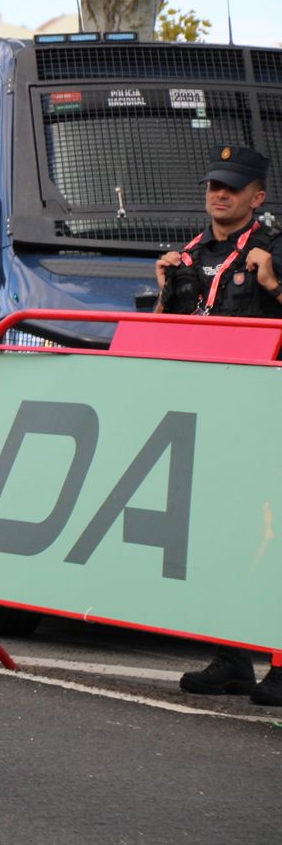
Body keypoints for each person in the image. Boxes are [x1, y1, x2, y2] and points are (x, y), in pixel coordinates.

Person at [155, 142, 282, 706]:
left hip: (263, 416)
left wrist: (275, 285)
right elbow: (165, 335)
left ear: (258, 197)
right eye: (212, 185)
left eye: (231, 187)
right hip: (208, 415)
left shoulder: (273, 250)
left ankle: (280, 664)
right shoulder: (187, 256)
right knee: (217, 535)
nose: (219, 195)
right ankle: (230, 659)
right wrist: (162, 292)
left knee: (270, 539)